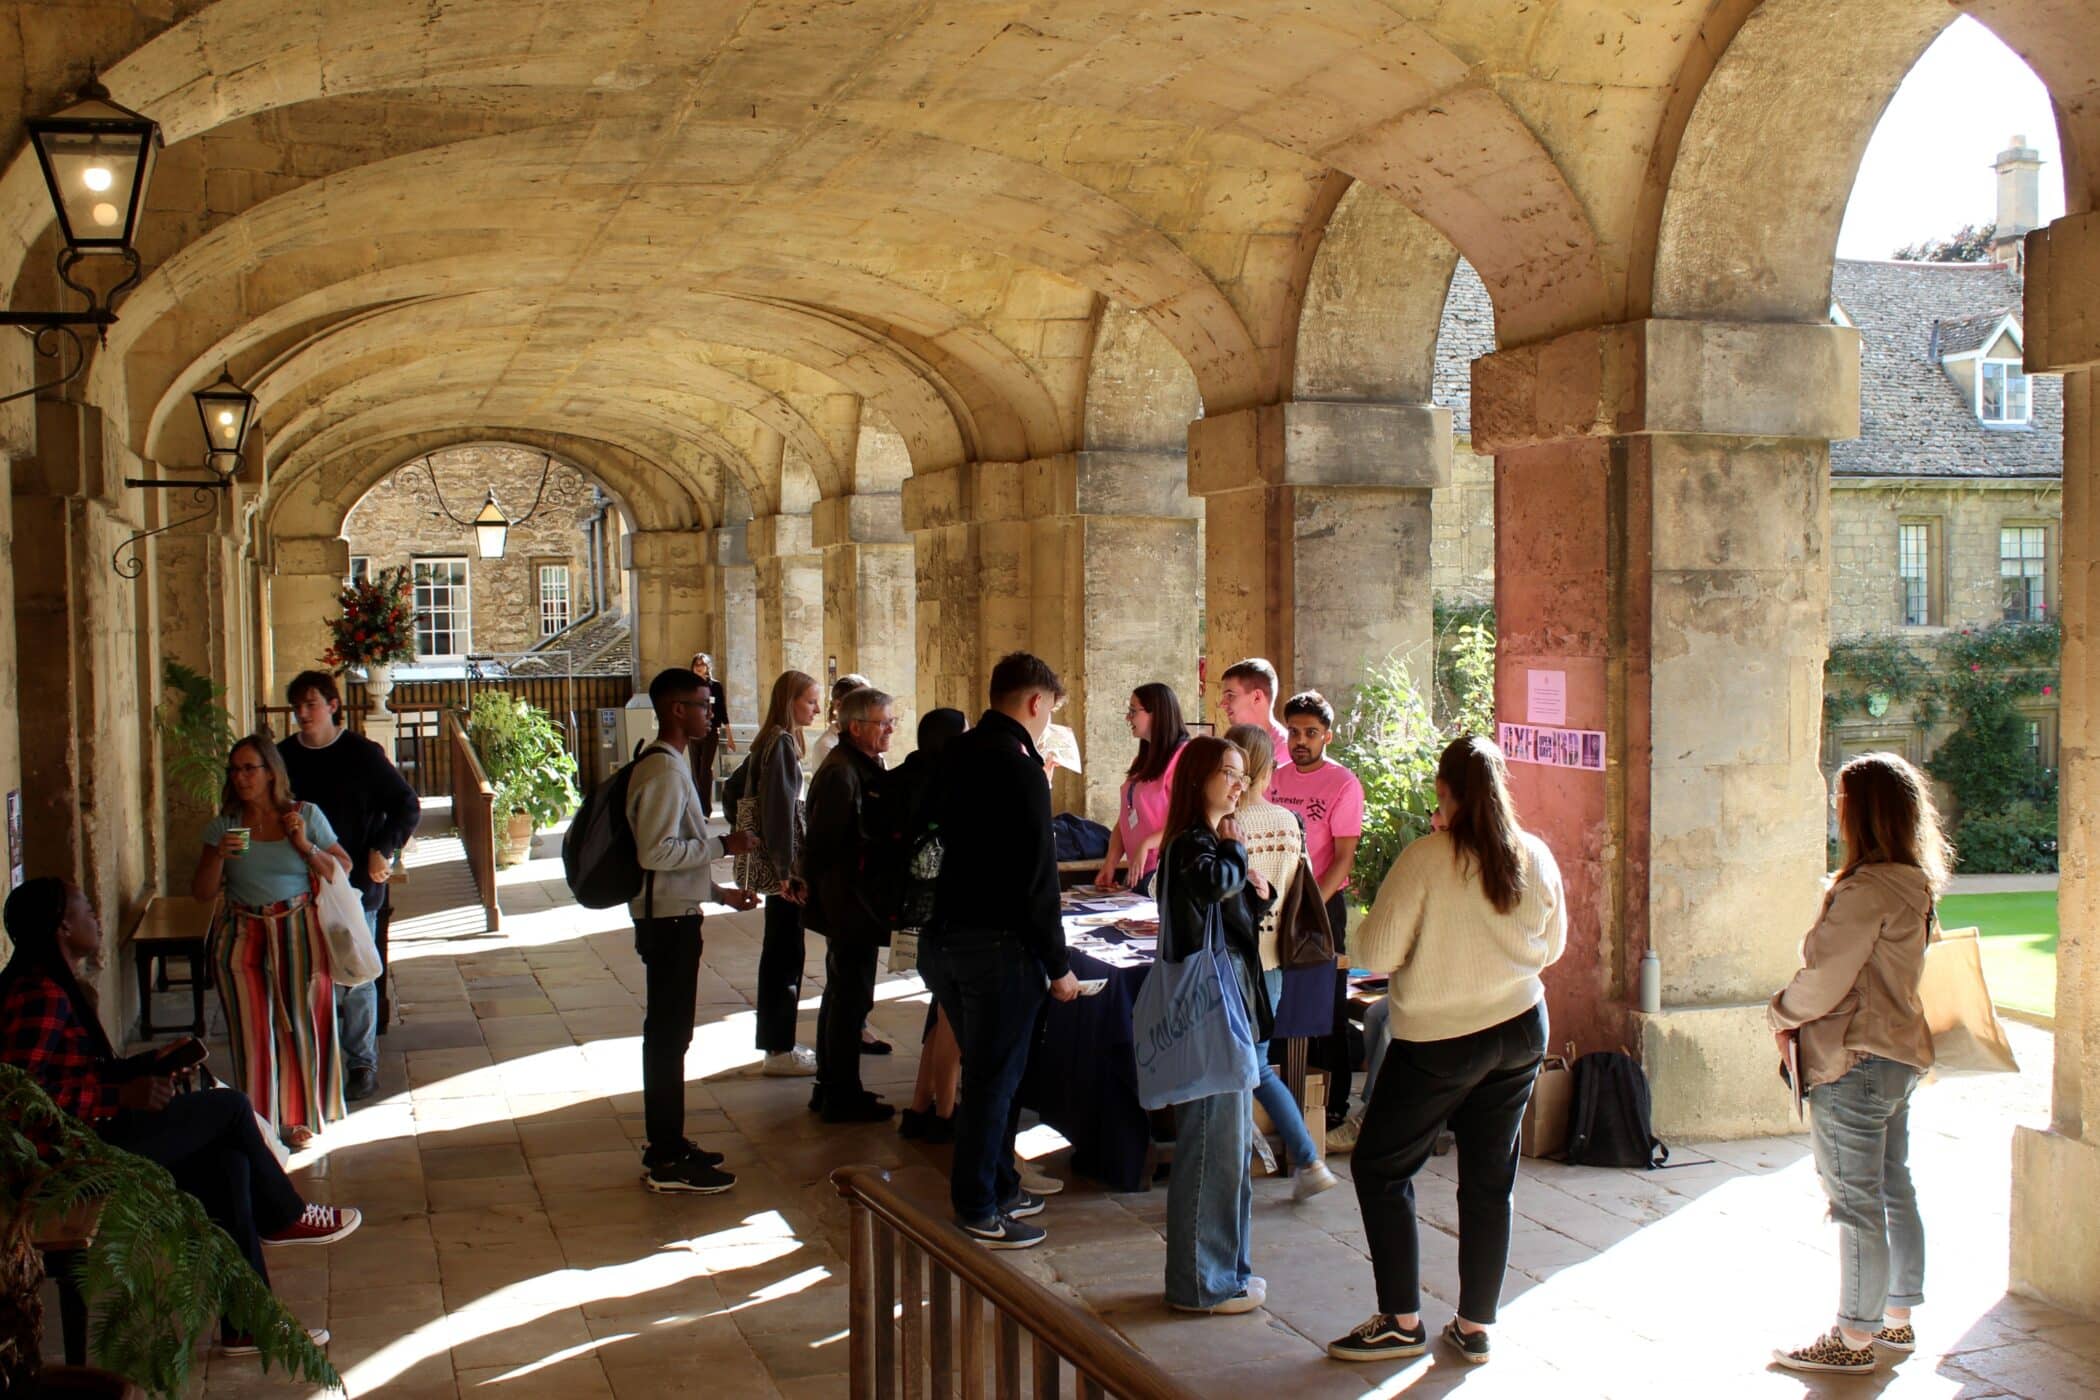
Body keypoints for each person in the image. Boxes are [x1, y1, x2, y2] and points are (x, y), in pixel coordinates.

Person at [0, 878, 353, 1354]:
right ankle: (283, 1214)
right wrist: (118, 1097)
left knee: (230, 1165)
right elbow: (19, 1097)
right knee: (229, 1108)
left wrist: (149, 1063)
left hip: (87, 1139)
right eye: (87, 909)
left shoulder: (56, 984)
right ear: (63, 925)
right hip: (65, 1164)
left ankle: (248, 1324)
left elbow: (78, 1072)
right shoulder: (38, 993)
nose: (97, 919)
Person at [1328, 735, 1566, 1367]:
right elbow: (1556, 944)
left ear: (1446, 792)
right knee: (1490, 1180)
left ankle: (1401, 1318)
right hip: (1520, 1027)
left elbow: (1375, 950)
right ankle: (1475, 1326)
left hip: (1439, 1038)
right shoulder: (1535, 854)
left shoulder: (1429, 858)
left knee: (1380, 1167)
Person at [1768, 752, 1944, 1375]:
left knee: (1855, 1202)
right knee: (1894, 1188)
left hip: (1854, 1059)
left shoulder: (1867, 890)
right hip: (1897, 1055)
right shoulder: (1916, 884)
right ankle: (1895, 1321)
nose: (1834, 813)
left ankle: (1854, 1336)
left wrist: (1779, 1012)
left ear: (1860, 813)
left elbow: (1825, 982)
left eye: (1841, 802)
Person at [920, 652, 1080, 1249]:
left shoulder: (953, 752)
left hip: (944, 939)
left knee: (989, 1074)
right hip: (998, 948)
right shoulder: (1020, 769)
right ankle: (979, 1207)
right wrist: (1059, 967)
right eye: (1049, 714)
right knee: (994, 1080)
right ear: (1036, 702)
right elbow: (1038, 882)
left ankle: (1001, 1182)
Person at [629, 667, 760, 1193]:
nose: (713, 714)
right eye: (705, 705)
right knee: (667, 1038)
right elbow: (655, 852)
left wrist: (718, 892)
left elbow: (672, 850)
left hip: (678, 912)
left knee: (673, 1036)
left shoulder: (673, 763)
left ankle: (671, 1141)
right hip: (666, 923)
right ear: (677, 710)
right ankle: (665, 1157)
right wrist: (724, 847)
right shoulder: (662, 769)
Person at [1155, 736, 1274, 1313]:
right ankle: (1200, 1284)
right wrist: (1235, 860)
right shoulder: (1193, 845)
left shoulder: (1214, 841)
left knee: (1230, 1151)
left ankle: (1227, 1271)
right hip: (1211, 1015)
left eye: (1244, 775)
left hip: (1231, 1012)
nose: (1238, 784)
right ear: (1197, 776)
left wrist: (1257, 892)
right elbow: (1210, 887)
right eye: (1228, 772)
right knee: (1210, 1151)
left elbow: (1229, 910)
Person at [192, 732, 353, 1148]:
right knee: (251, 1032)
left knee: (300, 1024)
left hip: (297, 929)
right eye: (235, 770)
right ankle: (261, 1123)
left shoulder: (304, 816)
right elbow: (203, 892)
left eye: (250, 768)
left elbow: (343, 867)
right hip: (241, 933)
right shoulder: (224, 825)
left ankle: (297, 1119)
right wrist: (217, 857)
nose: (241, 777)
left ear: (270, 772)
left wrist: (304, 846)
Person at [276, 670, 421, 1104]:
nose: (303, 713)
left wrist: (384, 848)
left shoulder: (362, 755)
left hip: (355, 883)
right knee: (306, 972)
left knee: (355, 972)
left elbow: (405, 805)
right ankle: (315, 1055)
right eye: (297, 706)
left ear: (333, 705)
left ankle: (361, 1061)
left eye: (311, 704)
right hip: (297, 880)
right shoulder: (283, 757)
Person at [1224, 724, 1337, 1201]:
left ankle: (1303, 1159)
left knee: (1245, 1066)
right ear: (1267, 767)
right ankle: (1304, 1160)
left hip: (1233, 958)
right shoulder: (1288, 823)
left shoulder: (1227, 824)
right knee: (1256, 1061)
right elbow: (1295, 891)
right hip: (1274, 960)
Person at [1267, 690, 1365, 1139]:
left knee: (1327, 1004)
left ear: (1327, 735)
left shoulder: (1343, 784)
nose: (1301, 741)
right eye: (1294, 732)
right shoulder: (1275, 778)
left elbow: (1343, 857)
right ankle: (1285, 1101)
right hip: (1276, 903)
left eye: (1310, 733)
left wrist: (1310, 906)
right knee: (1282, 999)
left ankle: (1333, 1105)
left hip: (1322, 908)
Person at [803, 686, 900, 1123]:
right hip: (848, 903)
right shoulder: (842, 772)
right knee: (848, 997)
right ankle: (839, 1092)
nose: (890, 729)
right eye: (883, 722)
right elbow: (828, 845)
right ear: (856, 726)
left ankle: (833, 1086)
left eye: (892, 721)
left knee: (846, 994)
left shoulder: (859, 765)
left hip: (852, 902)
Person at [892, 708, 969, 1143]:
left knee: (940, 1016)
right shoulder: (944, 782)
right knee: (953, 1019)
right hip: (941, 911)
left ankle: (922, 1105)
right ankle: (944, 1113)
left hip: (918, 909)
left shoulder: (913, 774)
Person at [750, 670, 824, 1076]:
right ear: (790, 700)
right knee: (784, 956)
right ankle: (778, 1049)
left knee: (780, 953)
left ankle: (777, 1044)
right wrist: (784, 870)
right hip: (785, 870)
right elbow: (778, 812)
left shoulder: (774, 742)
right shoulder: (779, 744)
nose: (816, 708)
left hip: (783, 867)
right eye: (810, 701)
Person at [1093, 683, 1190, 892]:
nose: (1128, 718)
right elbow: (1126, 817)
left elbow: (1189, 821)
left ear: (1157, 713)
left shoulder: (1184, 758)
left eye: (1133, 711)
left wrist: (1147, 843)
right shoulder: (1143, 759)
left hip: (1165, 872)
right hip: (1138, 871)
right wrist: (1110, 862)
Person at [688, 652, 735, 820]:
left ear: (708, 667)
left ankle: (705, 810)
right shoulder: (688, 687)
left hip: (710, 731)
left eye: (702, 664)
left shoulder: (715, 686)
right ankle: (697, 808)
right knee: (695, 769)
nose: (699, 667)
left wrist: (729, 735)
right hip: (693, 732)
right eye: (697, 664)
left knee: (705, 770)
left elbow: (722, 711)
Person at [1218, 658, 1290, 754]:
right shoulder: (1236, 743)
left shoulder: (1285, 752)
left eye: (1230, 695)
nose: (1222, 704)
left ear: (1256, 697)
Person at [807, 672, 872, 776]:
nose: (867, 708)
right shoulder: (827, 746)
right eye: (860, 701)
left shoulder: (868, 740)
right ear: (838, 705)